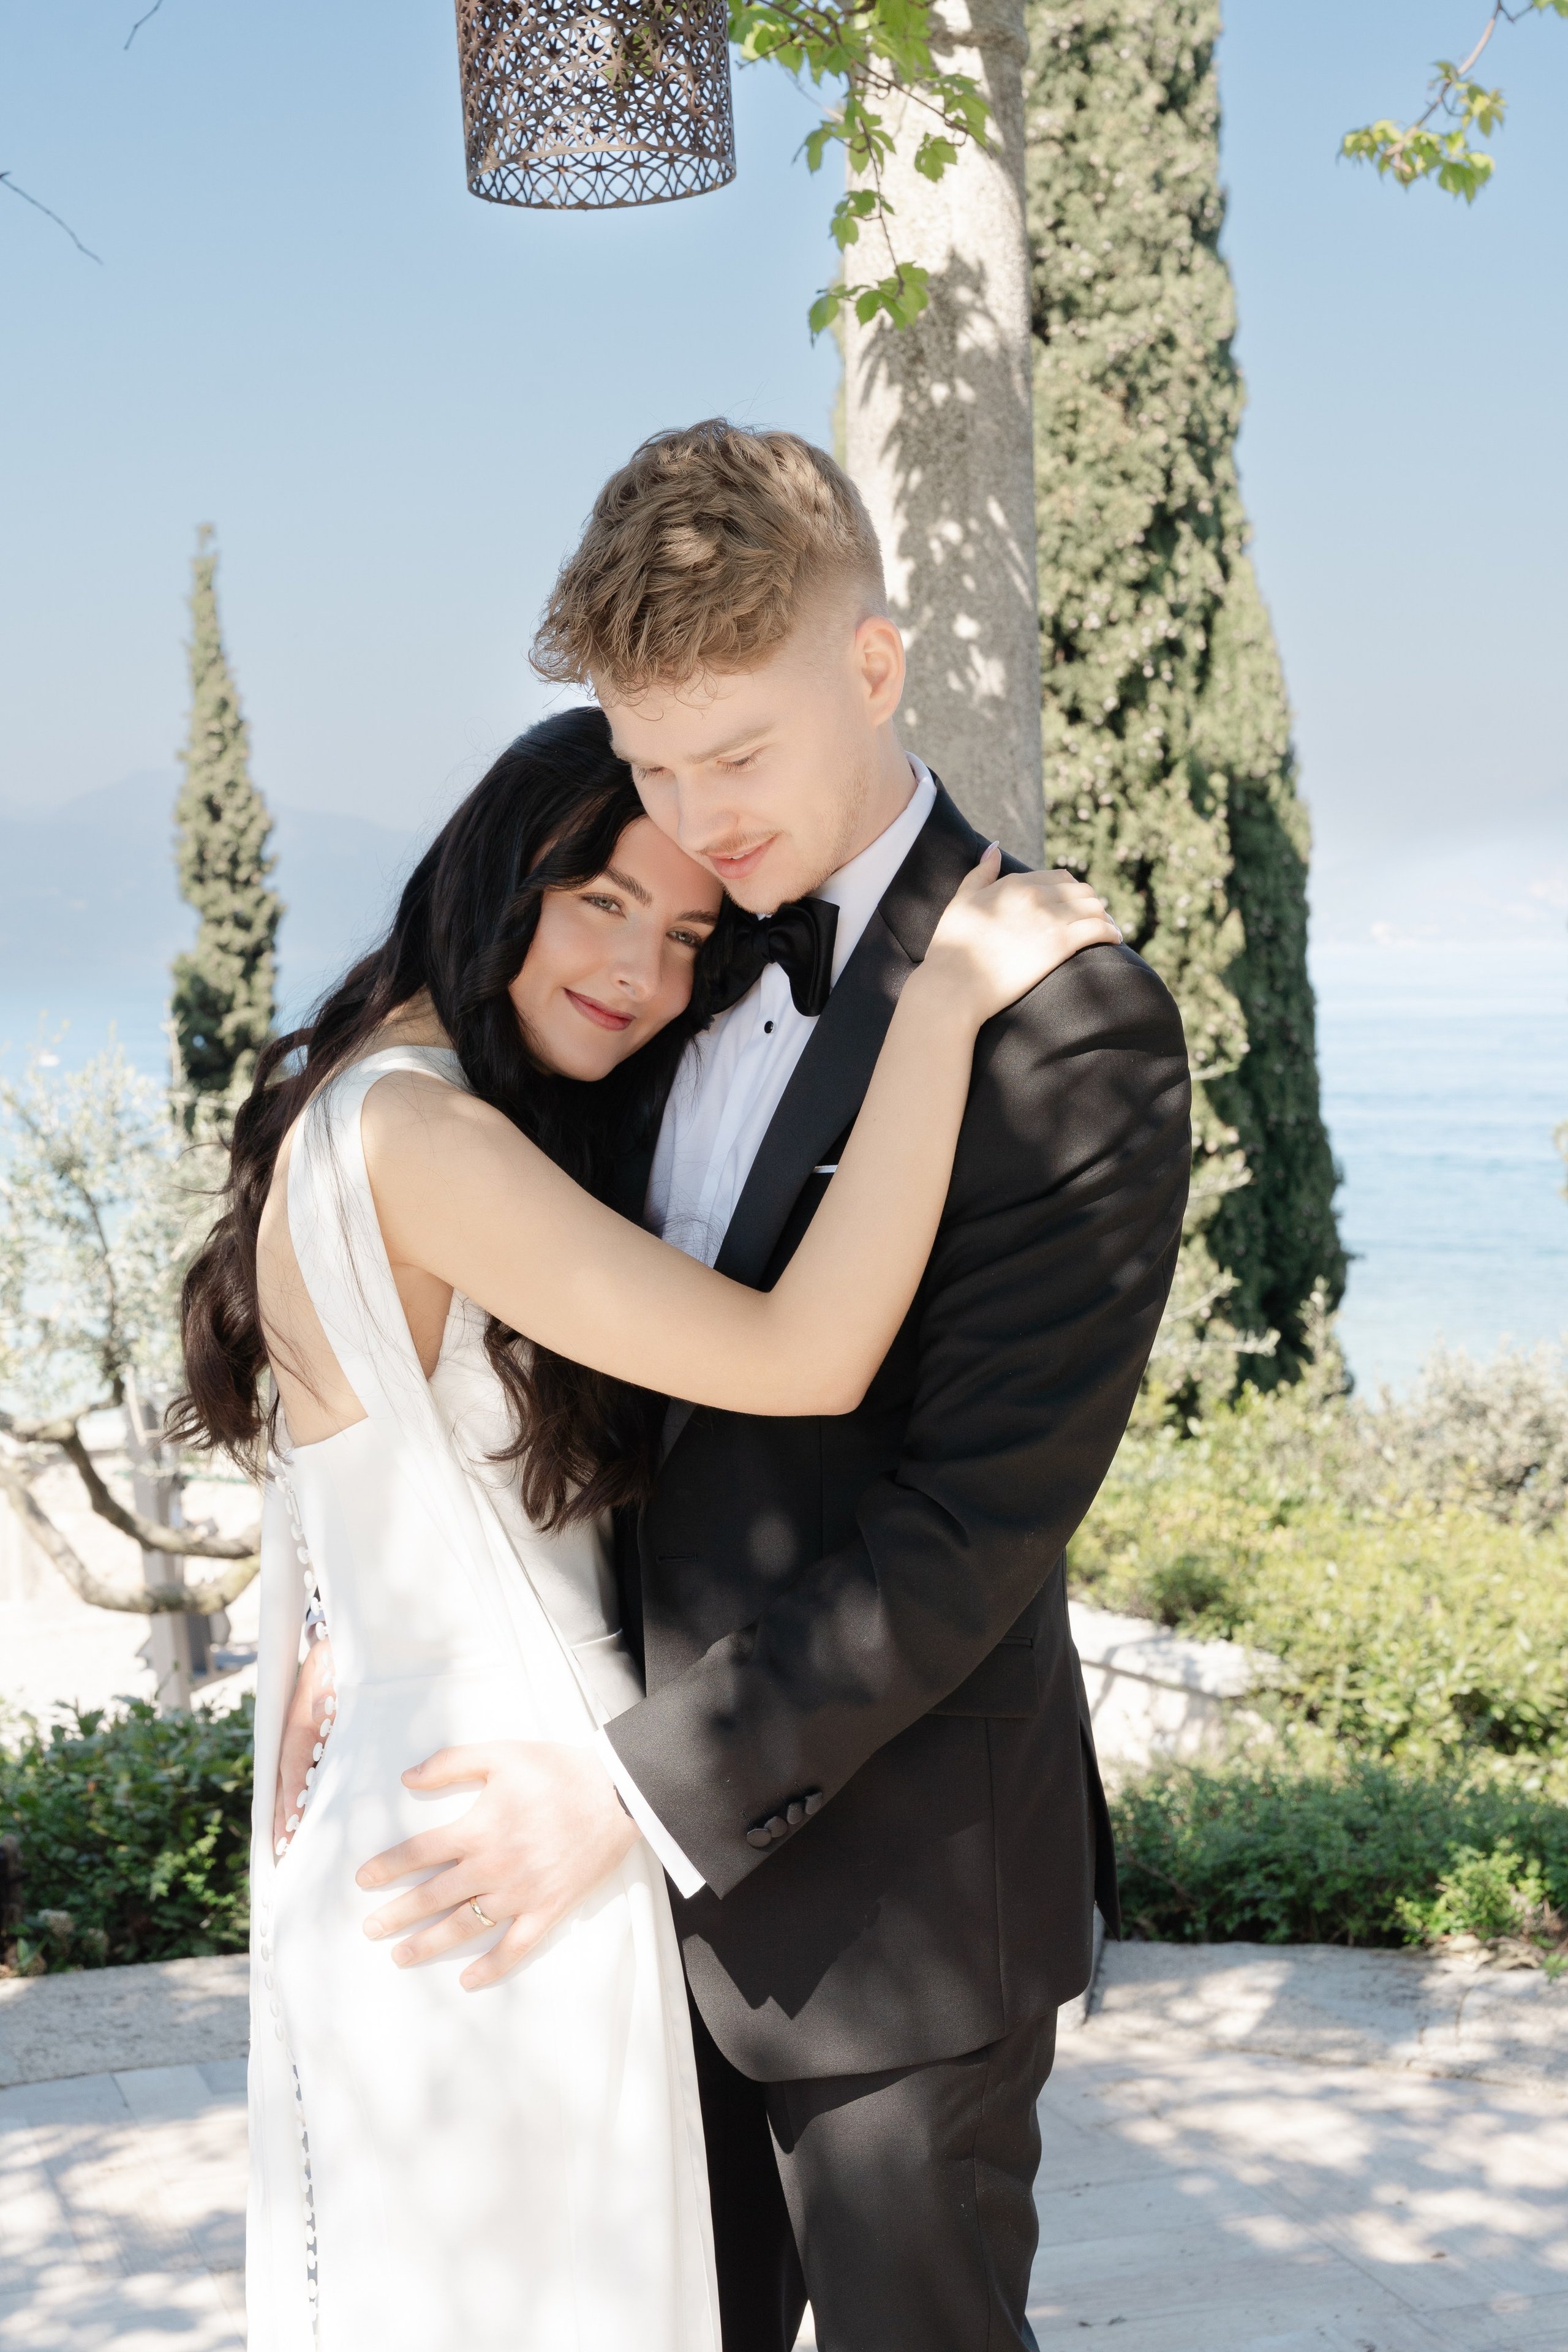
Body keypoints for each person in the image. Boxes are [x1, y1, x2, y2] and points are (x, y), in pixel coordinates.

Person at [350, 424, 1194, 2351]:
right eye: (649, 762)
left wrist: (631, 1802)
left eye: (736, 754)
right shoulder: (667, 951)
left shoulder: (1073, 1016)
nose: (693, 815)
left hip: (899, 1914)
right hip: (611, 1917)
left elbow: (972, 1529)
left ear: (876, 669)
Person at [172, 701, 1120, 2352]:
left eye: (687, 932)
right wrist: (952, 997)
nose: (646, 972)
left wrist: (332, 1621)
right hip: (509, 1820)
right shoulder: (429, 1137)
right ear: (493, 875)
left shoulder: (361, 1105)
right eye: (599, 901)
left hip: (428, 1785)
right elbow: (804, 1354)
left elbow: (356, 1456)